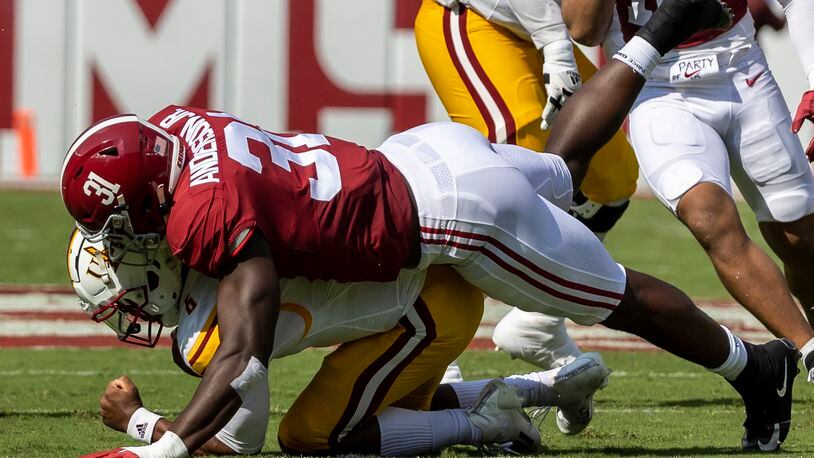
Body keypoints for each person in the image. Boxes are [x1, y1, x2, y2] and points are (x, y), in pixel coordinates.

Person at [61, 2, 799, 455]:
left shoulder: (208, 220)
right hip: (417, 152)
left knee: (611, 296)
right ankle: (662, 30)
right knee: (565, 163)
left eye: (122, 227)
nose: (126, 241)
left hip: (453, 220)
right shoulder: (177, 131)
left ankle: (752, 368)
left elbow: (245, 360)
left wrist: (156, 443)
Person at [68, 230, 610, 456]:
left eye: (127, 299)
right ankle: (544, 387)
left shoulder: (202, 326)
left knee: (309, 435)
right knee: (376, 406)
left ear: (155, 270)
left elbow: (238, 441)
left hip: (423, 313)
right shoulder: (215, 229)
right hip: (428, 287)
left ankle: (485, 424)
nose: (130, 315)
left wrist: (137, 419)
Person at [554, 0, 814, 382]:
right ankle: (809, 351)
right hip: (654, 84)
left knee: (799, 236)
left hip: (740, 67)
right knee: (709, 218)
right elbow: (583, 28)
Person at [414, 0, 639, 434]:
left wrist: (625, 57)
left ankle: (537, 325)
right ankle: (431, 353)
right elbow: (565, 29)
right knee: (497, 186)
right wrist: (556, 46)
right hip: (477, 17)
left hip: (534, 28)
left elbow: (589, 24)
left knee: (613, 174)